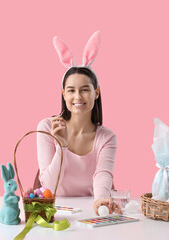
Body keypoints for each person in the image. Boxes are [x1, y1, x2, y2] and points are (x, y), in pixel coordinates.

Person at [36, 32, 122, 215]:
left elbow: (103, 174)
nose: (77, 97)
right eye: (71, 90)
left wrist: (100, 202)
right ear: (63, 94)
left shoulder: (107, 137)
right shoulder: (46, 127)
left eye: (85, 90)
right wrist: (62, 146)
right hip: (55, 213)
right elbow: (49, 186)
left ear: (96, 93)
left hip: (90, 210)